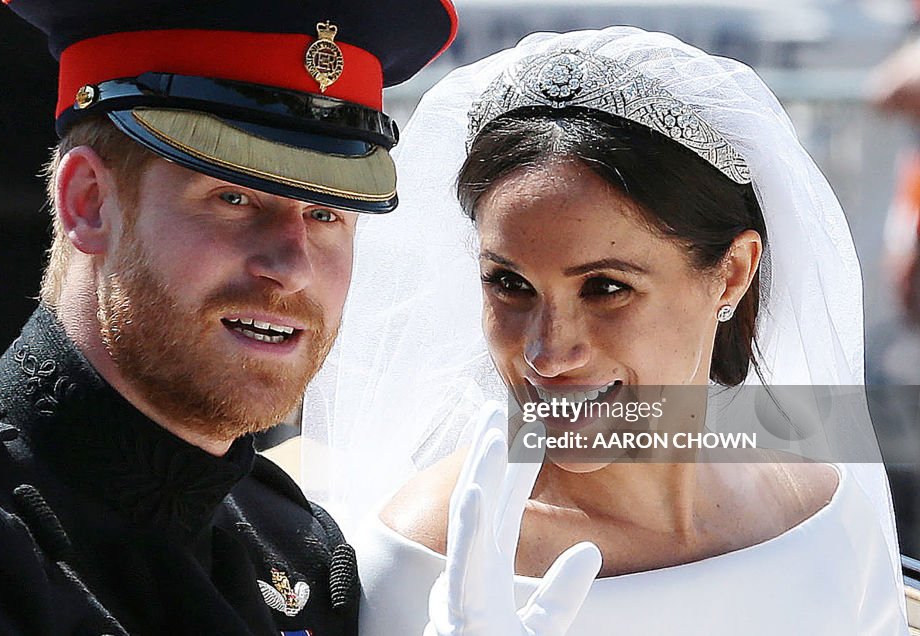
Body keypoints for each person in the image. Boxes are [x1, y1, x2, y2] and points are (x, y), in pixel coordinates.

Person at [301, 27, 909, 634]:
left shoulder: (825, 516)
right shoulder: (429, 557)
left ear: (731, 275)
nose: (548, 351)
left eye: (606, 288)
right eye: (510, 285)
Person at [0, 1, 456, 634]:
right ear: (88, 203)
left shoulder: (298, 549)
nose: (293, 266)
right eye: (235, 197)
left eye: (327, 214)